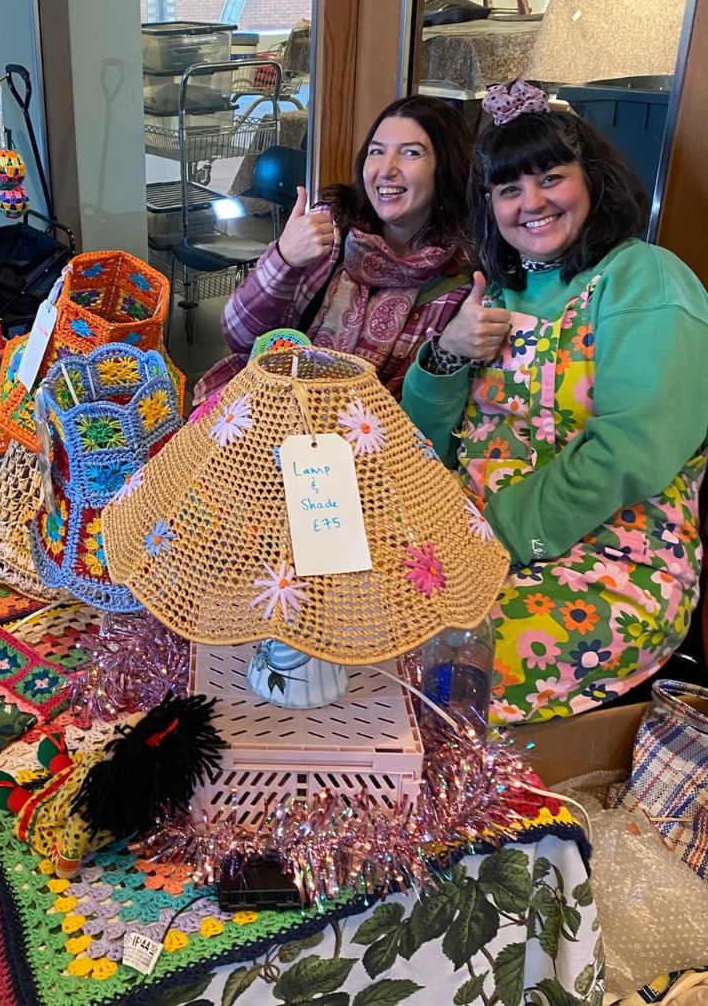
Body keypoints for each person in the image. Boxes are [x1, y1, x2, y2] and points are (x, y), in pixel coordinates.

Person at [400, 79, 708, 725]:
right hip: (465, 534)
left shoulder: (643, 278)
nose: (531, 203)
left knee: (429, 677)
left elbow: (632, 449)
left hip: (609, 555)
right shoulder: (498, 294)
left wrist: (492, 539)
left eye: (550, 178)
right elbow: (416, 447)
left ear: (591, 180)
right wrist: (450, 351)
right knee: (343, 622)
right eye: (509, 189)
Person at [192, 95, 475, 407]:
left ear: (445, 167)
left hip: (371, 446)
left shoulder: (459, 281)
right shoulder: (330, 229)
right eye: (376, 152)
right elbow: (239, 337)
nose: (386, 169)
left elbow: (419, 413)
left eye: (410, 153)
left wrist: (448, 352)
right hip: (265, 423)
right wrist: (283, 260)